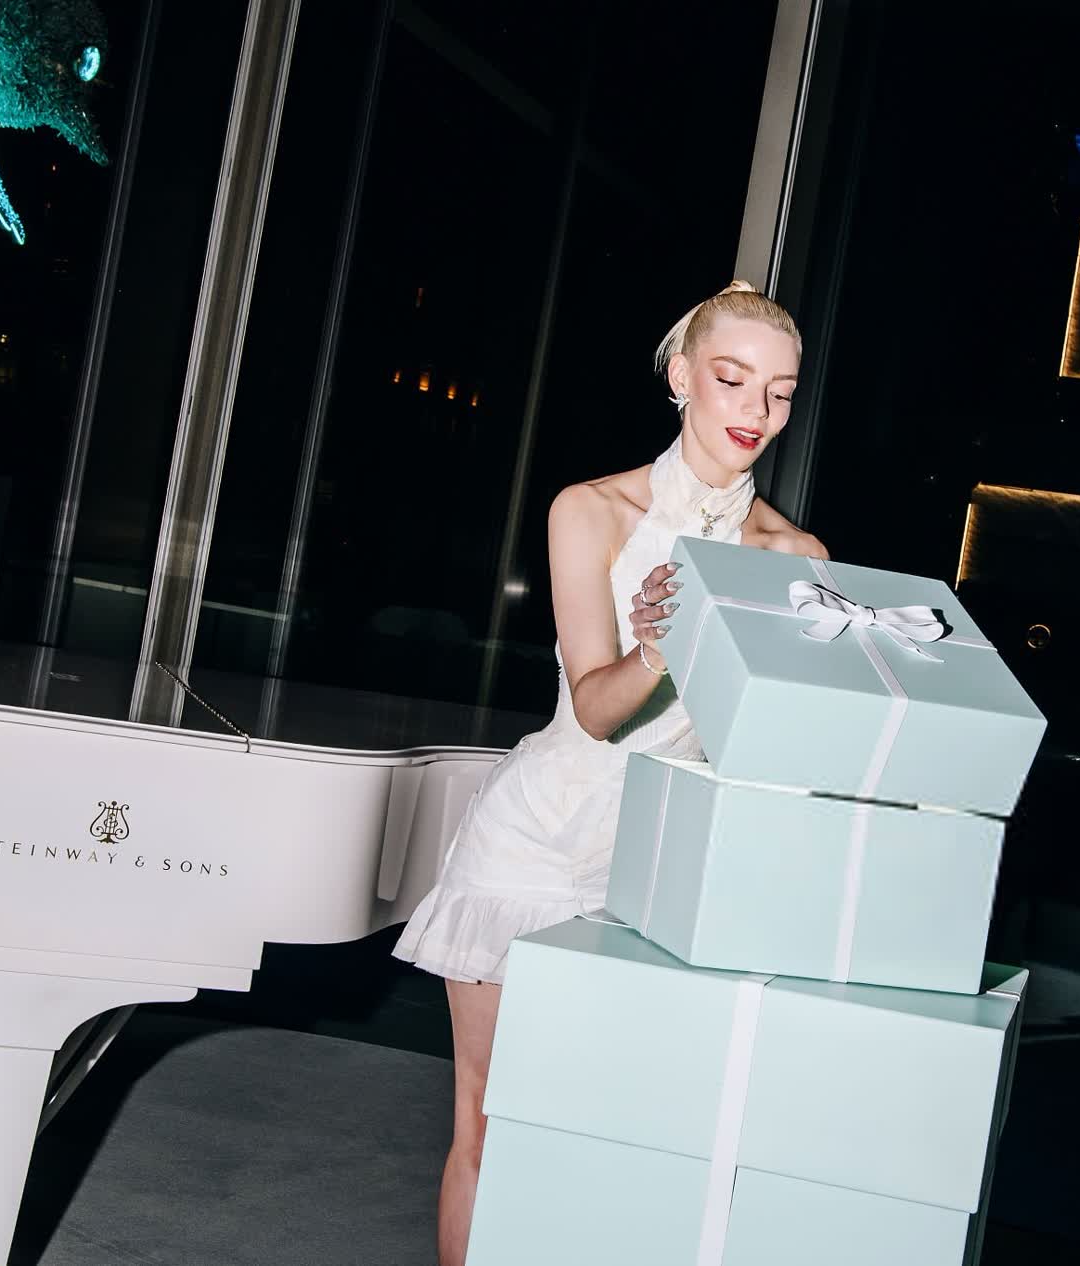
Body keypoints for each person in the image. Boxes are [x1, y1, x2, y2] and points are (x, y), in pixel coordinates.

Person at [391, 280, 826, 1265]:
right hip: (541, 842)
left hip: (664, 863)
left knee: (619, 1140)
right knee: (489, 1125)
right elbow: (595, 708)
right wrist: (661, 647)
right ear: (680, 376)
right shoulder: (591, 509)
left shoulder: (795, 555)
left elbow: (768, 742)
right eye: (732, 380)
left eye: (780, 393)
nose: (756, 412)